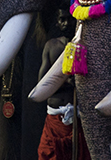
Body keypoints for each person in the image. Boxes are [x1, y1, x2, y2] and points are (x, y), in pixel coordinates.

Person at [36, 9, 89, 160]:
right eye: (62, 20)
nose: (66, 24)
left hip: (79, 119)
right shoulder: (51, 46)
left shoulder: (84, 45)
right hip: (55, 119)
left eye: (70, 19)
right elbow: (42, 84)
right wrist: (64, 81)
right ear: (57, 22)